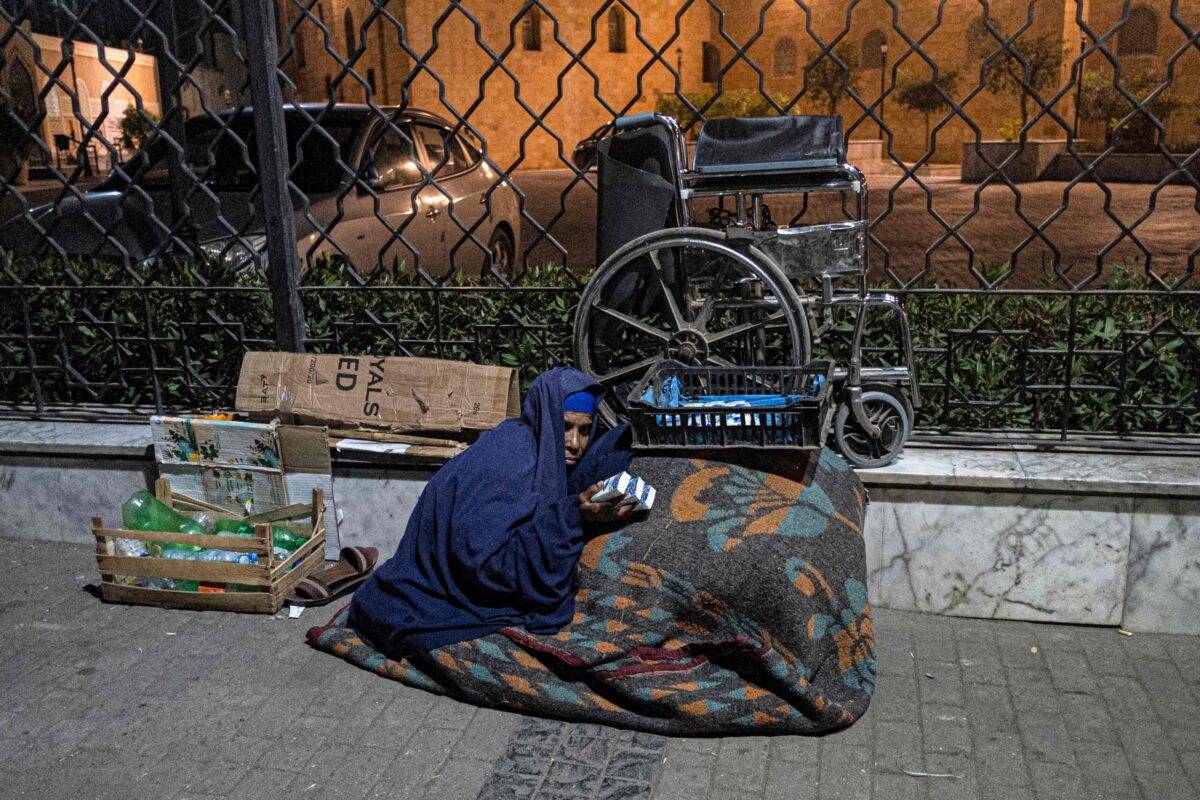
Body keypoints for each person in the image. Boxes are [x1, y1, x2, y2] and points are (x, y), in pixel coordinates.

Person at [348, 367, 635, 654]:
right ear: (545, 418)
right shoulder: (512, 457)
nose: (574, 444)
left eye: (585, 431)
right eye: (565, 427)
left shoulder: (541, 454)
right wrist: (573, 516)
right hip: (441, 586)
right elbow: (481, 561)